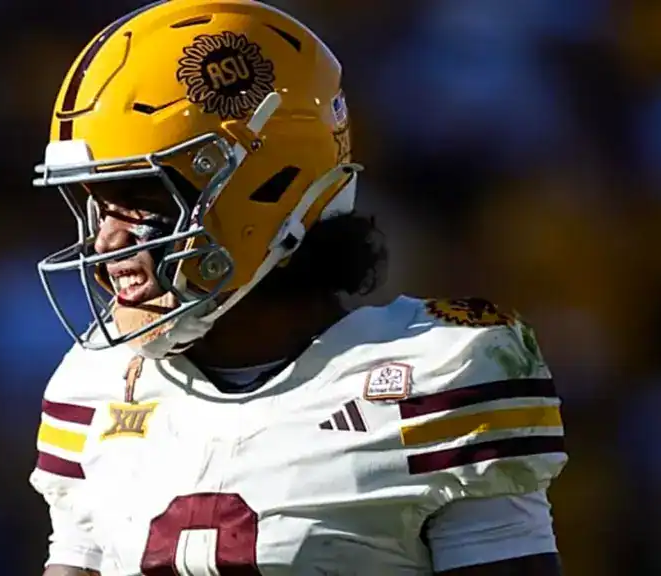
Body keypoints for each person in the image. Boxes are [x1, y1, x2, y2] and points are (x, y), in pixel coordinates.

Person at [28, 1, 567, 574]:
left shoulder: (438, 373)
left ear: (265, 187)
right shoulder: (100, 385)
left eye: (142, 197)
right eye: (96, 203)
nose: (108, 241)